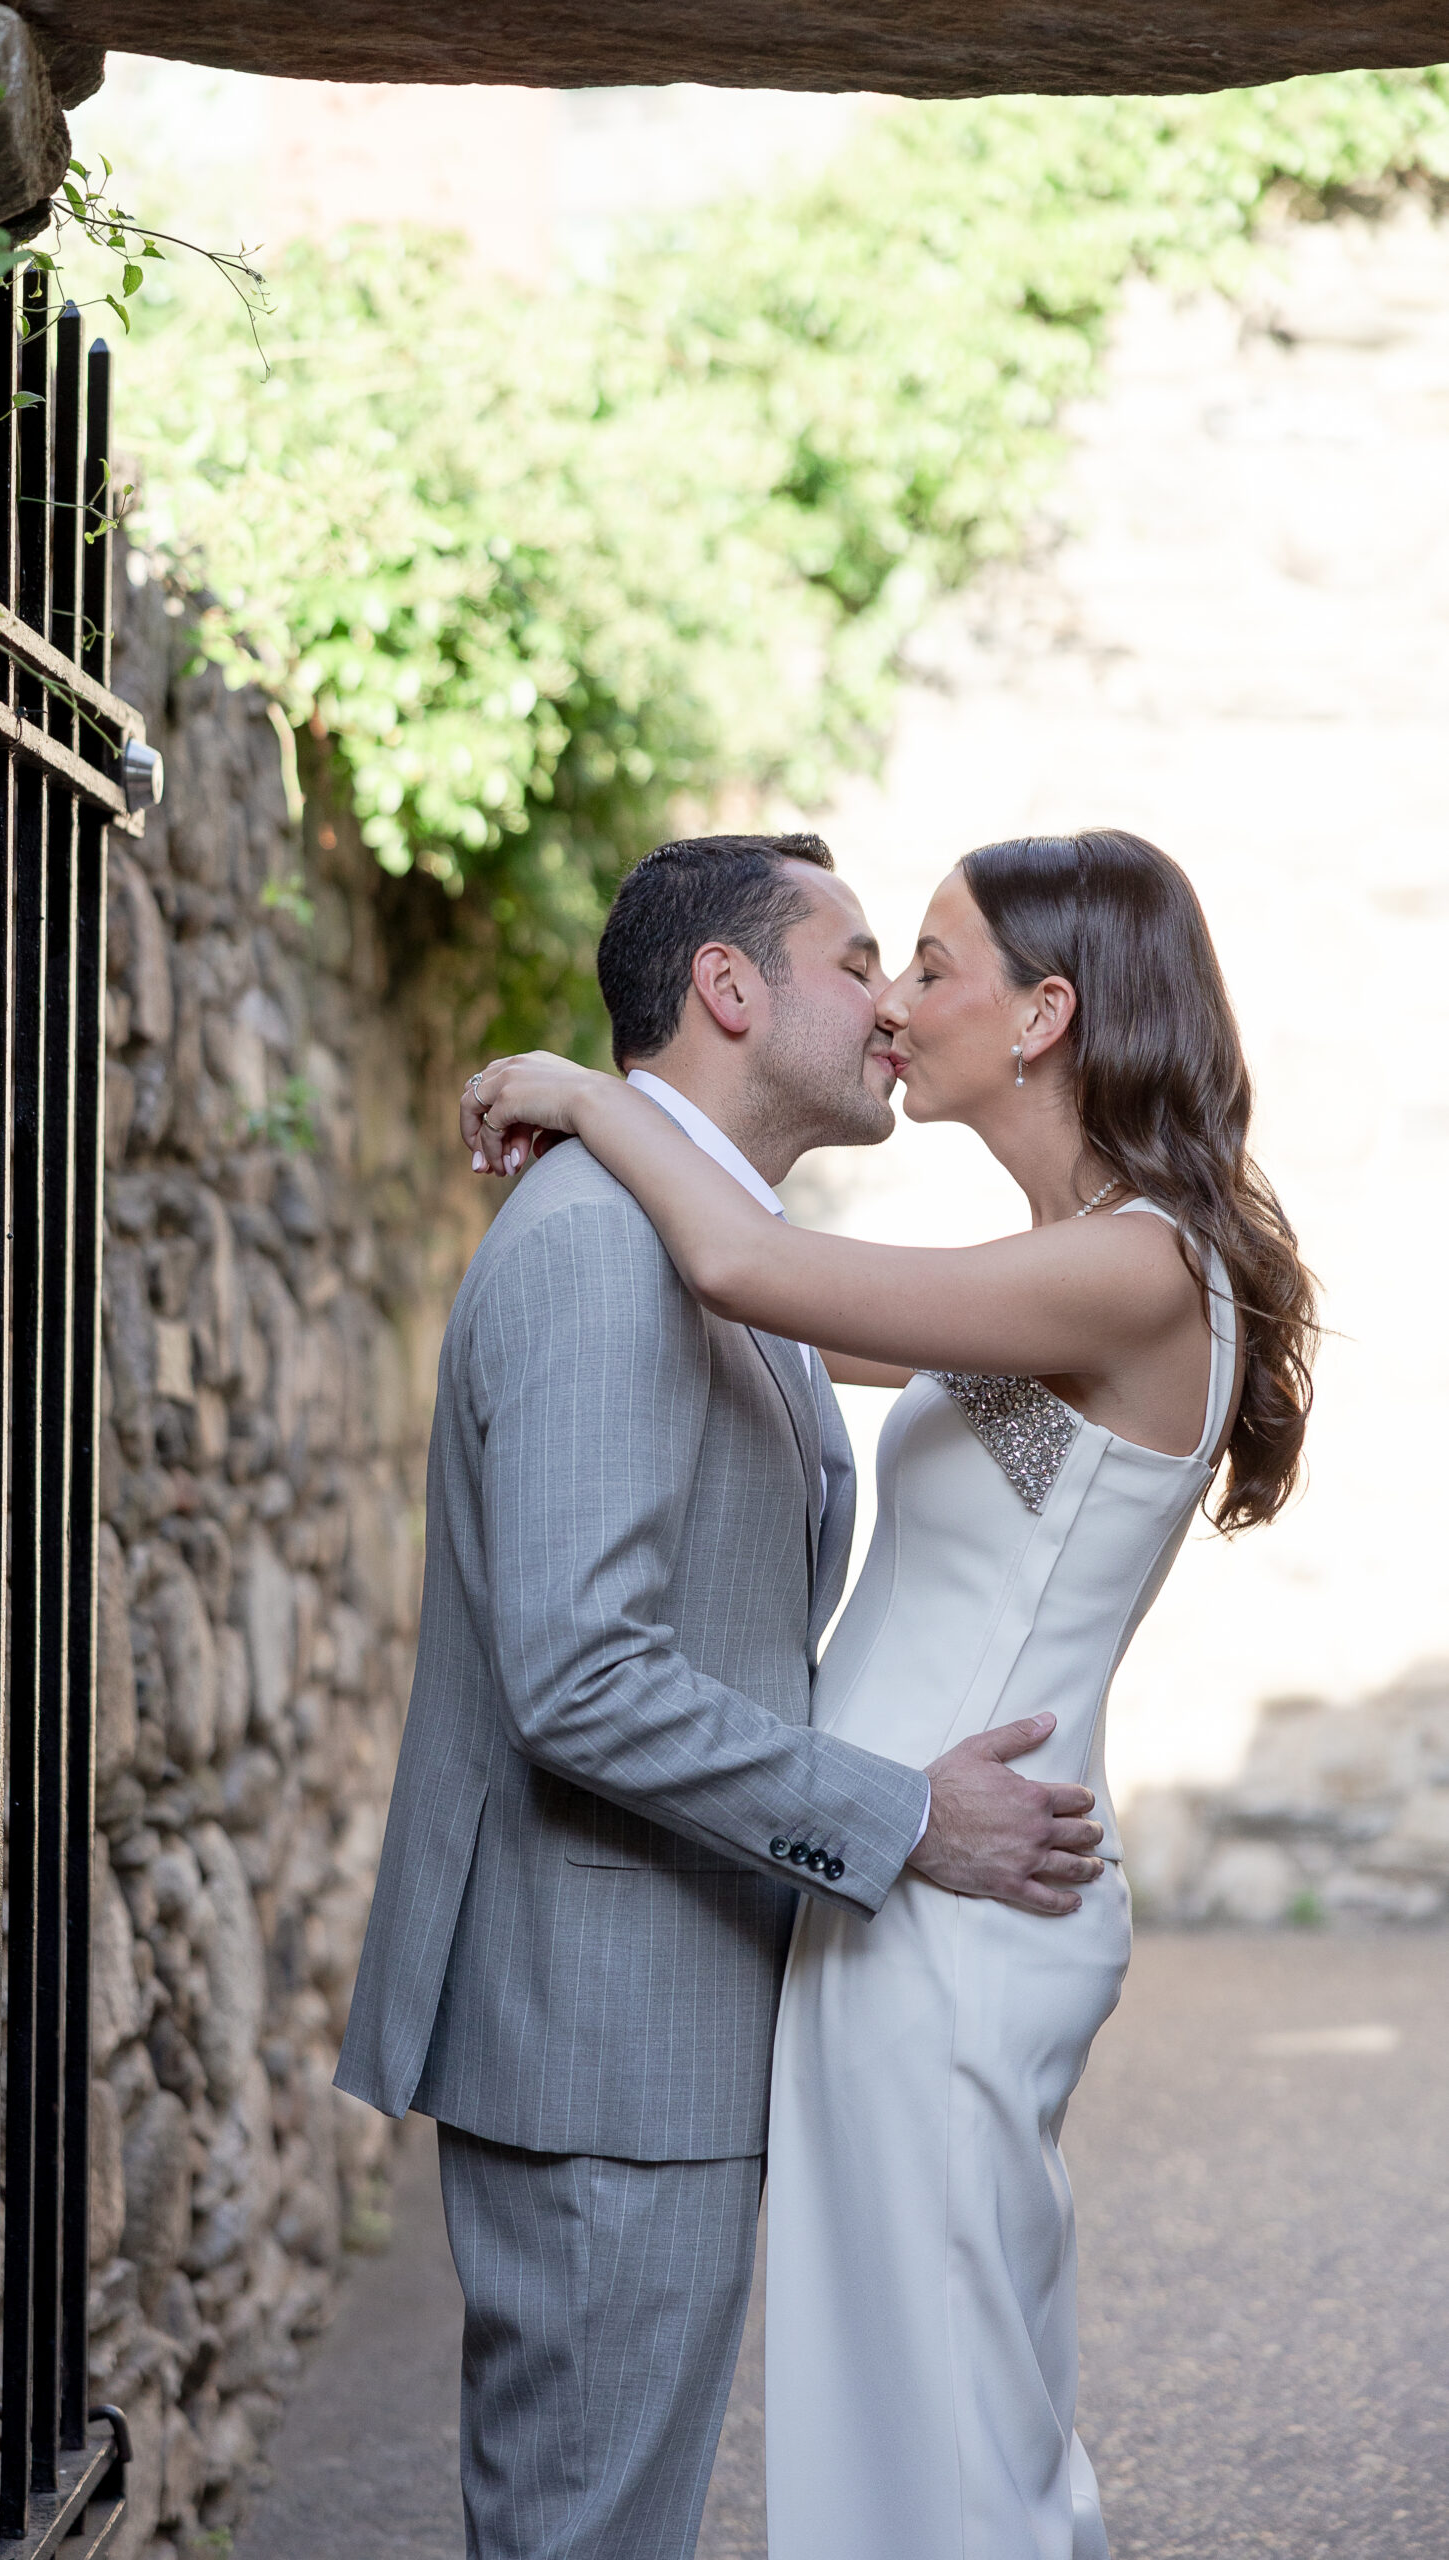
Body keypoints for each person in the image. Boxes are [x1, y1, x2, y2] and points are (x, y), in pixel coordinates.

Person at [458, 827, 1316, 2560]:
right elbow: (778, 1323)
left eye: (931, 964)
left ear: (1046, 1014)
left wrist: (598, 1092)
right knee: (906, 2419)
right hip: (898, 1896)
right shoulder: (1046, 1269)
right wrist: (642, 1161)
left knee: (946, 2446)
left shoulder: (1139, 1264)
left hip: (960, 1897)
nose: (901, 1006)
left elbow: (752, 1272)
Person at [336, 832, 1110, 2560]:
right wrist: (909, 1817)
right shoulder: (609, 1247)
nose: (892, 1008)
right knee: (586, 2533)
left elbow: (1000, 1332)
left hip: (655, 2020)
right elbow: (583, 1675)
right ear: (729, 989)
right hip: (601, 2037)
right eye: (857, 962)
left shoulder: (708, 1242)